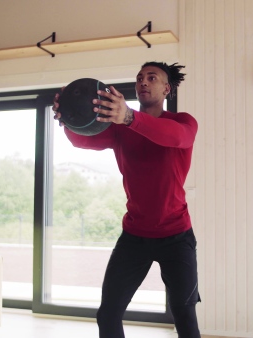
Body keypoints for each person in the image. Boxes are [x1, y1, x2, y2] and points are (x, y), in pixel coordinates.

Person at [52, 62, 201, 338]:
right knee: (108, 313)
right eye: (139, 78)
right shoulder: (120, 129)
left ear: (166, 88)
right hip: (134, 236)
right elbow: (81, 139)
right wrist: (68, 118)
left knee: (184, 313)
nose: (143, 81)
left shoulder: (183, 122)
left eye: (152, 77)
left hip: (177, 236)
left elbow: (176, 138)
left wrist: (130, 117)